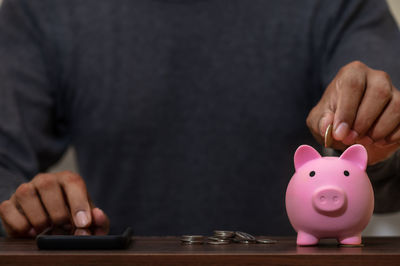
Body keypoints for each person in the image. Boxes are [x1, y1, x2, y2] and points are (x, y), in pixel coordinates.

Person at [0, 0, 399, 237]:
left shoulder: (341, 5)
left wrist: (377, 146)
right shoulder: (43, 9)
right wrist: (24, 210)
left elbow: (390, 156)